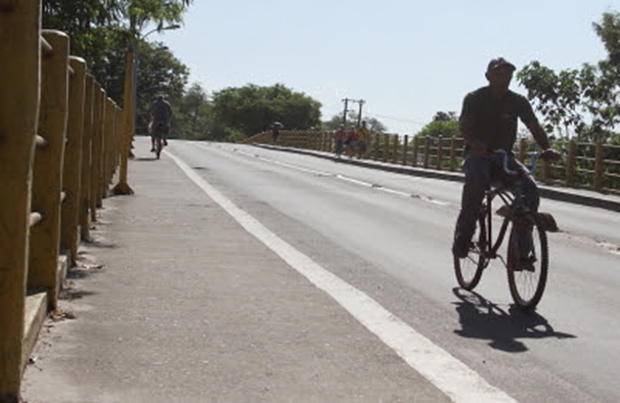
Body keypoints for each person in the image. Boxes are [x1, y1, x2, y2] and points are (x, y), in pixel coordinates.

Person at [452, 57, 560, 263]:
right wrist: (473, 143)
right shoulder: (474, 98)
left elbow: (534, 126)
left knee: (530, 190)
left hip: (504, 158)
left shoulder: (517, 101)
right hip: (478, 156)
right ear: (488, 76)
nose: (504, 78)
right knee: (476, 187)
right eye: (499, 74)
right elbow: (464, 126)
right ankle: (463, 238)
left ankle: (521, 250)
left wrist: (547, 148)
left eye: (508, 74)